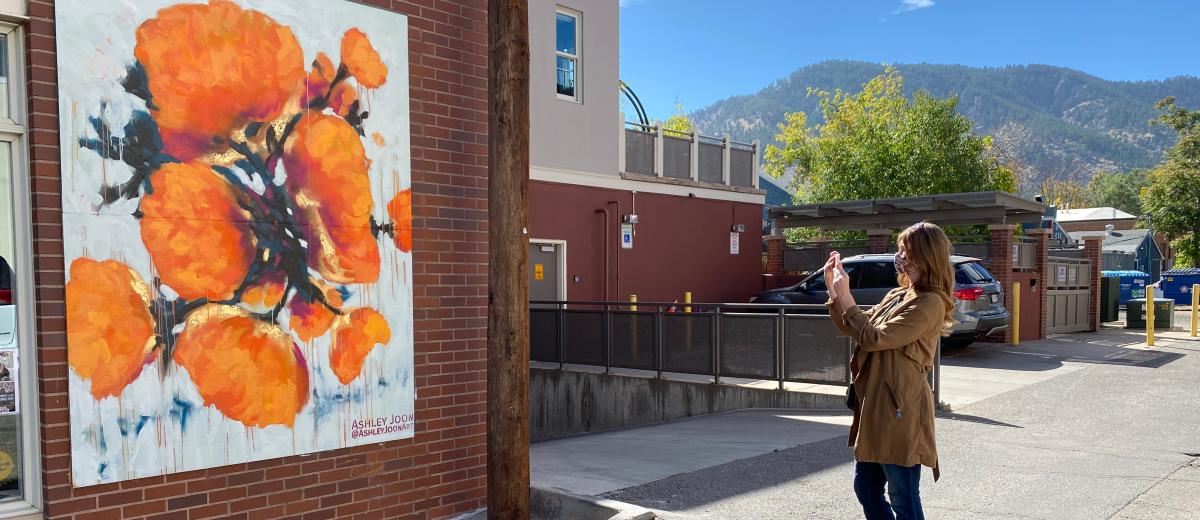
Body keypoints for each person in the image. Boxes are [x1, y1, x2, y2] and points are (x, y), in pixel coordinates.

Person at [824, 222, 955, 520]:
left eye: (906, 252)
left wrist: (847, 297)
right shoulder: (899, 295)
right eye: (900, 251)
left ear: (926, 257)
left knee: (903, 497)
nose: (900, 258)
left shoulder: (930, 303)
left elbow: (873, 338)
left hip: (901, 411)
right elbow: (856, 326)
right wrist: (835, 290)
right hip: (876, 409)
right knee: (866, 489)